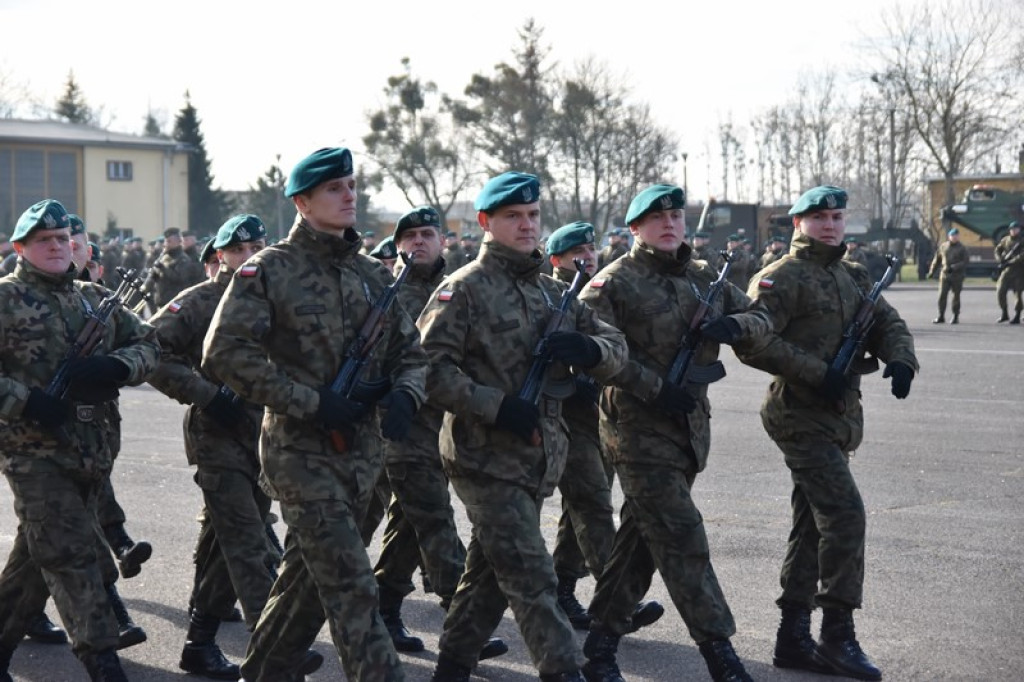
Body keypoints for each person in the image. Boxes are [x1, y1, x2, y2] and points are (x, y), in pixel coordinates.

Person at [203, 147, 427, 682]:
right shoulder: (270, 269)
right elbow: (224, 353)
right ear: (302, 202)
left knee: (305, 582)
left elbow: (411, 353)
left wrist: (406, 394)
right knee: (353, 585)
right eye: (334, 188)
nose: (349, 195)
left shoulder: (374, 275)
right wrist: (309, 400)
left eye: (351, 185)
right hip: (300, 456)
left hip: (362, 458)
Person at [418, 172, 628, 682]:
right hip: (481, 455)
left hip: (539, 456)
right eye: (514, 216)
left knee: (489, 573)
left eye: (533, 215)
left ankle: (451, 666)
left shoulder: (556, 294)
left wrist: (590, 350)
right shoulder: (462, 291)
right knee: (532, 575)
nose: (527, 225)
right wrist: (495, 405)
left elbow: (617, 346)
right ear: (486, 222)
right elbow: (428, 370)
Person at [578, 184, 764, 682]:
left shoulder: (706, 277)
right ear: (635, 228)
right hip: (636, 431)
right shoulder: (611, 283)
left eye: (676, 216)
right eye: (657, 218)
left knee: (641, 540)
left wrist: (737, 328)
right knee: (683, 536)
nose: (669, 224)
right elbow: (593, 350)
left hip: (689, 431)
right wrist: (653, 387)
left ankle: (598, 648)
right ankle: (720, 654)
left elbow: (762, 316)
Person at [734, 185, 918, 682]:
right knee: (845, 514)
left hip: (838, 415)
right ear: (798, 224)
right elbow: (752, 341)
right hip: (797, 413)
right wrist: (816, 371)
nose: (830, 225)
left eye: (836, 216)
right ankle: (837, 634)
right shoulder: (780, 277)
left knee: (812, 524)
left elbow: (887, 322)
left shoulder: (853, 274)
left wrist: (901, 357)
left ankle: (791, 638)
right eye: (819, 218)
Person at [0, 199, 160, 682]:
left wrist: (116, 365)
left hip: (93, 453)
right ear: (20, 248)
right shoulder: (5, 300)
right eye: (43, 241)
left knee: (35, 561)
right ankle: (104, 662)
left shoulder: (94, 298)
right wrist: (24, 399)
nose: (56, 247)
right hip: (33, 454)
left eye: (63, 240)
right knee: (72, 555)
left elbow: (151, 344)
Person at [371, 206, 506, 661]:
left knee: (408, 525)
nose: (419, 242)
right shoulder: (385, 294)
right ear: (398, 246)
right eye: (410, 237)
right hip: (404, 427)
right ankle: (461, 621)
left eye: (428, 234)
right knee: (434, 519)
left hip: (452, 425)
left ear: (442, 241)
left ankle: (383, 608)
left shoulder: (460, 287)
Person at [148, 214, 277, 680]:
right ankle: (274, 643)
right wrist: (206, 393)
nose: (247, 257)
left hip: (264, 436)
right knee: (245, 539)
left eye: (255, 248)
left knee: (228, 542)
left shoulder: (275, 297)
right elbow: (151, 352)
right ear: (219, 255)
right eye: (237, 250)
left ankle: (199, 644)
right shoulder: (198, 302)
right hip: (216, 434)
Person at [544, 220, 663, 634]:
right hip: (565, 420)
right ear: (556, 259)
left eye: (590, 248)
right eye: (576, 251)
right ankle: (617, 600)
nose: (588, 255)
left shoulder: (602, 290)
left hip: (601, 418)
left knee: (579, 510)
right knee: (594, 504)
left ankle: (562, 590)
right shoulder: (554, 294)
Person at [141, 227, 206, 308]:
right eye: (165, 241)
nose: (165, 244)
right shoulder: (164, 256)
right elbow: (156, 275)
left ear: (178, 242)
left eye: (169, 241)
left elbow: (181, 278)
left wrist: (163, 269)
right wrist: (147, 284)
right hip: (162, 301)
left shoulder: (183, 259)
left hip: (176, 301)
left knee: (173, 319)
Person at [927, 227, 968, 324]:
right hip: (945, 275)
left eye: (956, 236)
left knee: (956, 297)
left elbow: (965, 261)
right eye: (952, 236)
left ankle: (955, 316)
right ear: (949, 236)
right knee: (942, 296)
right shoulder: (943, 246)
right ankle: (941, 316)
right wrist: (931, 271)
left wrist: (955, 267)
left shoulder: (962, 248)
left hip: (957, 276)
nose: (954, 237)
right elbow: (936, 259)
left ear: (958, 237)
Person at [994, 220, 1024, 323]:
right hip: (1006, 270)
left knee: (1018, 294)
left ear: (1019, 230)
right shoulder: (1005, 240)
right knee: (1000, 291)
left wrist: (1011, 262)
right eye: (1012, 229)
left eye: (1016, 229)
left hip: (1019, 271)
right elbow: (997, 250)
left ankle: (1017, 315)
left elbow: (1022, 255)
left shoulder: (1022, 241)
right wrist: (1000, 259)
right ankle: (1004, 313)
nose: (1014, 231)